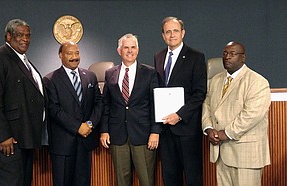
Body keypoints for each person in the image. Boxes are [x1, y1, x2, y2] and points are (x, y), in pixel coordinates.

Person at [0, 19, 47, 186]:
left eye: (28, 35)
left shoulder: (23, 60)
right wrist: (3, 136)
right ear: (8, 36)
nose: (25, 39)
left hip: (23, 139)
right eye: (20, 35)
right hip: (7, 142)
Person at [202, 41, 271, 186]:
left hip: (245, 154)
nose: (227, 57)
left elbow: (251, 115)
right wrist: (208, 128)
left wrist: (225, 133)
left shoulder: (257, 82)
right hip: (221, 153)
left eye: (232, 54)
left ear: (243, 58)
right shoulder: (215, 80)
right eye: (225, 54)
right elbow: (207, 105)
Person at [100, 33, 160, 186]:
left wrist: (155, 131)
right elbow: (106, 104)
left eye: (133, 47)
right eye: (126, 47)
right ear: (119, 50)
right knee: (121, 181)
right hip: (118, 135)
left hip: (143, 135)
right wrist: (104, 130)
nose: (130, 51)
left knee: (147, 180)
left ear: (138, 50)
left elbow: (155, 104)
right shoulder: (110, 73)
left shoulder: (150, 72)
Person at [154, 17, 207, 186]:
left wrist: (179, 115)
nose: (172, 35)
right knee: (169, 177)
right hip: (165, 129)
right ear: (163, 35)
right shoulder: (158, 56)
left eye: (175, 31)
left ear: (183, 33)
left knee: (192, 177)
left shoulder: (196, 57)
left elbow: (200, 93)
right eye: (168, 32)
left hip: (187, 128)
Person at [43, 41, 102, 186]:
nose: (74, 57)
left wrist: (89, 124)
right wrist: (77, 127)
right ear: (60, 55)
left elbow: (99, 103)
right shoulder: (50, 80)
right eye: (69, 53)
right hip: (63, 144)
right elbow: (54, 110)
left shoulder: (90, 76)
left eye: (77, 53)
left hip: (85, 142)